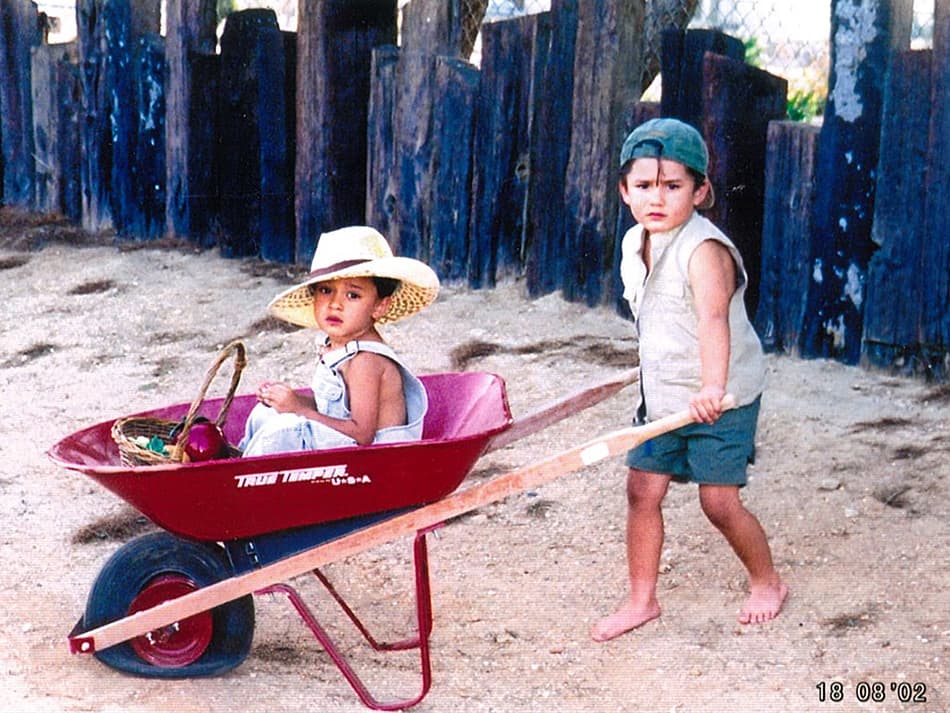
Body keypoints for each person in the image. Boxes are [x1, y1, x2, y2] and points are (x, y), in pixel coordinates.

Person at [591, 118, 787, 642]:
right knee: (641, 491)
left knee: (718, 501)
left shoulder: (704, 250)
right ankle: (641, 600)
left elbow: (712, 321)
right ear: (625, 190)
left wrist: (712, 389)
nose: (658, 198)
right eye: (645, 186)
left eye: (673, 186)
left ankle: (767, 582)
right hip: (665, 396)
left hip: (720, 395)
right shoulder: (637, 242)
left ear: (701, 191)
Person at [239, 225, 439, 457]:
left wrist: (298, 409)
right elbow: (333, 409)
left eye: (353, 295)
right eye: (325, 290)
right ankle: (235, 463)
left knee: (281, 431)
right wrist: (289, 401)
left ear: (379, 306)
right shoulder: (337, 346)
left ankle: (242, 483)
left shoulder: (366, 361)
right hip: (345, 442)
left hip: (376, 457)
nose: (335, 304)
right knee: (265, 414)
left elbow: (362, 435)